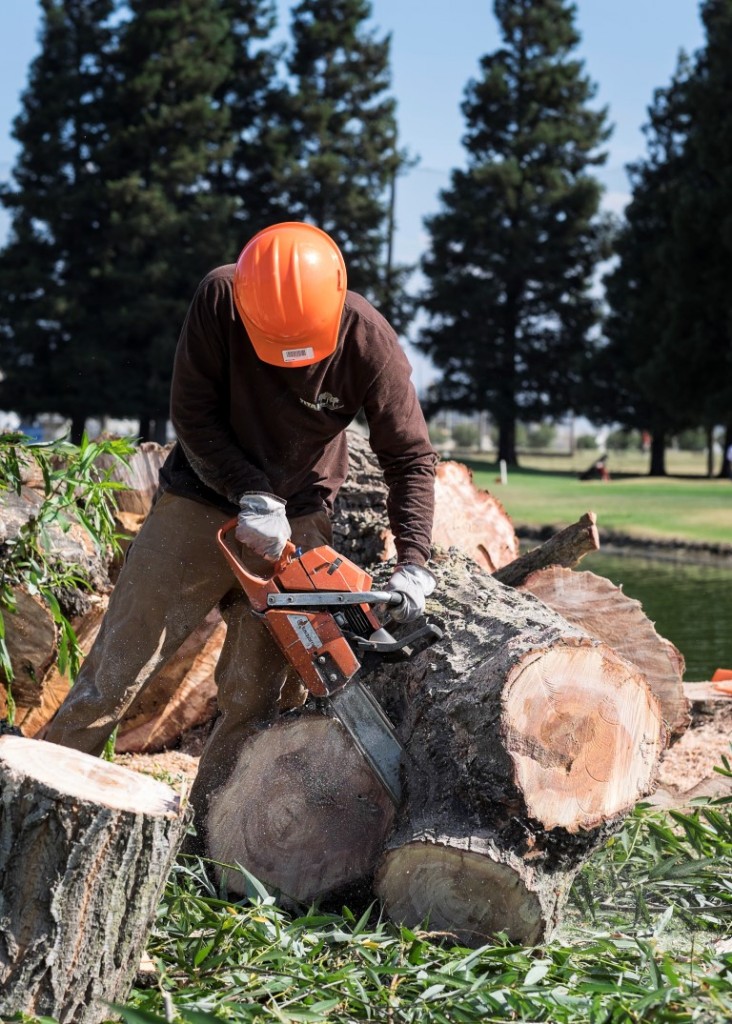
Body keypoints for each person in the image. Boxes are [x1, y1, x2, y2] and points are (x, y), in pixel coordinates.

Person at [44, 222, 438, 848]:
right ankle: (37, 819)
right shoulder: (220, 299)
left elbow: (411, 458)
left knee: (255, 697)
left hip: (301, 517)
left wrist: (414, 561)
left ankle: (207, 846)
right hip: (200, 497)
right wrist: (252, 490)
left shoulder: (368, 340)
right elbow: (193, 414)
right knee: (112, 673)